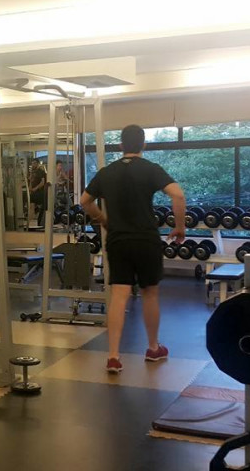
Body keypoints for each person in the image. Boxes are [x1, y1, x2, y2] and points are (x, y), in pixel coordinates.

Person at [79, 124, 186, 374]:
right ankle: (153, 348)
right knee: (150, 293)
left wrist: (103, 219)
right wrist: (180, 226)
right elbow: (178, 195)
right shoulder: (150, 169)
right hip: (146, 240)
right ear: (143, 145)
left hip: (118, 240)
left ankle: (113, 357)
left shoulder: (107, 172)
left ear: (120, 146)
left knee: (119, 295)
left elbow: (84, 201)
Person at [28, 159, 48, 224]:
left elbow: (42, 182)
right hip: (33, 192)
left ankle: (36, 220)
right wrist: (30, 188)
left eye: (34, 163)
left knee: (38, 206)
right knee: (31, 206)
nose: (33, 165)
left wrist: (35, 188)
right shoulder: (32, 172)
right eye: (32, 163)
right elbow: (31, 181)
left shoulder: (41, 171)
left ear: (37, 164)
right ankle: (30, 221)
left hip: (39, 192)